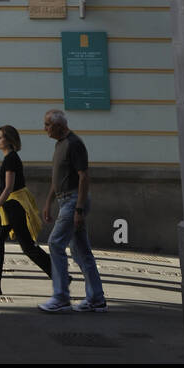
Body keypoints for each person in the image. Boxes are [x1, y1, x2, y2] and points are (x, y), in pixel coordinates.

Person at [39, 109, 107, 313]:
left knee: (55, 243)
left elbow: (83, 177)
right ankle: (96, 299)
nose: (45, 129)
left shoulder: (74, 144)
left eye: (48, 125)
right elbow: (57, 178)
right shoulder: (60, 144)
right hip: (64, 200)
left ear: (60, 125)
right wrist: (48, 202)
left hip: (73, 201)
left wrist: (78, 209)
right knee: (81, 251)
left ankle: (61, 297)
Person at [0, 124, 52, 294]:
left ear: (10, 140)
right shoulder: (10, 158)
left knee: (18, 245)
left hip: (12, 206)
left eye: (1, 137)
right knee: (13, 244)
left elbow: (9, 187)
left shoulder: (11, 159)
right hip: (11, 206)